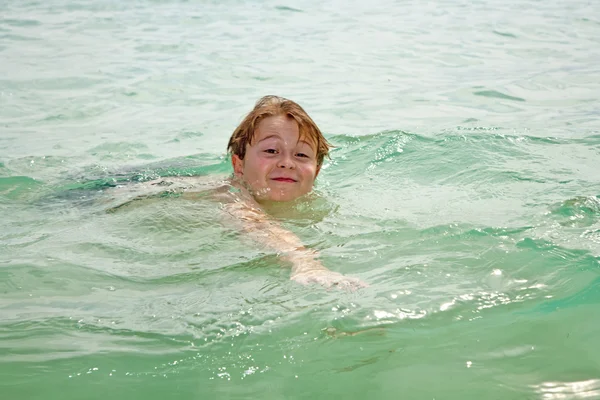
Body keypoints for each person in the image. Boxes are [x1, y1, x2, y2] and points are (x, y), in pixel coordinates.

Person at [224, 95, 367, 290]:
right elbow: (253, 221)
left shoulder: (325, 207)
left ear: (316, 171)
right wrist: (305, 262)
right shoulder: (228, 195)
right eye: (272, 151)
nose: (287, 163)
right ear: (238, 165)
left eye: (301, 154)